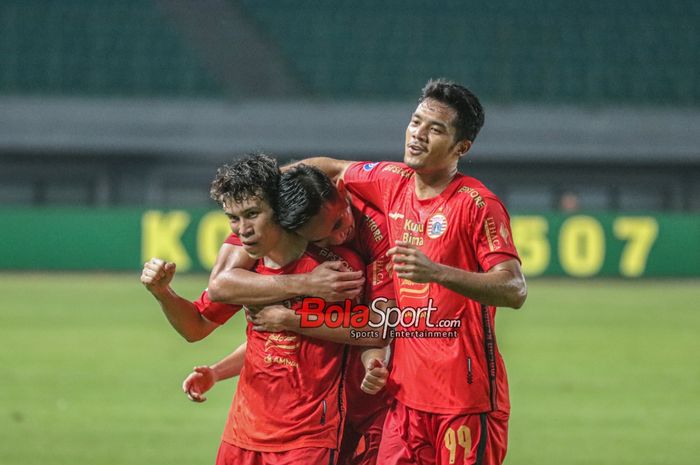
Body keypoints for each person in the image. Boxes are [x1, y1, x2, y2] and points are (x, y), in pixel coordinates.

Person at [295, 79, 528, 465]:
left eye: (435, 129)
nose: (418, 134)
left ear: (461, 147)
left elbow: (514, 288)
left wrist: (438, 272)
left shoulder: (477, 204)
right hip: (404, 399)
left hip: (464, 402)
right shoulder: (392, 181)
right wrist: (264, 196)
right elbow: (330, 168)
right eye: (416, 122)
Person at [187, 164, 396, 465]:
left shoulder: (351, 261)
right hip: (253, 428)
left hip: (337, 418)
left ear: (340, 193)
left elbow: (376, 331)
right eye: (325, 238)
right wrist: (217, 371)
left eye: (339, 220)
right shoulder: (266, 244)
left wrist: (291, 319)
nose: (341, 235)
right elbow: (230, 306)